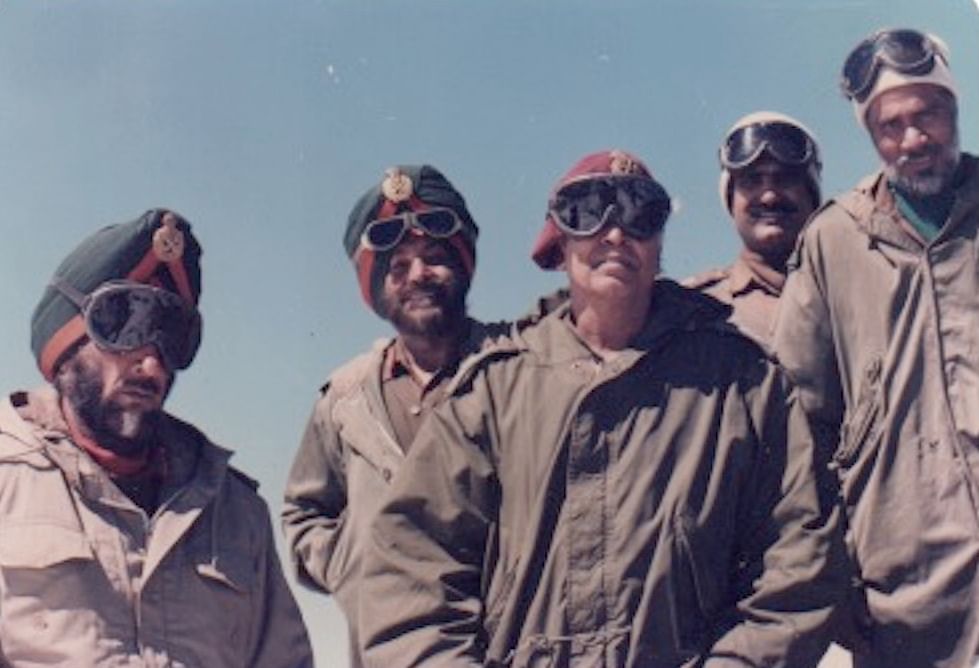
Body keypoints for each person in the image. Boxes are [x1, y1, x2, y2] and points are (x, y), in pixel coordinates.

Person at [359, 150, 844, 667]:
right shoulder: (493, 392)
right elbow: (411, 574)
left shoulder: (742, 384)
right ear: (560, 242)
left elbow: (800, 559)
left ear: (659, 244)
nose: (615, 233)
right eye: (588, 210)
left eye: (640, 213)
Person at [0, 209, 312, 666]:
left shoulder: (236, 513)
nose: (151, 364)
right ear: (65, 343)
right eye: (126, 324)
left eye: (172, 335)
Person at [773, 28, 979, 667]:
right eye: (891, 126)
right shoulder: (834, 240)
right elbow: (798, 429)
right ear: (870, 135)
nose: (913, 139)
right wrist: (836, 580)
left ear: (955, 111)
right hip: (908, 600)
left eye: (929, 115)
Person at [281, 165, 506, 666]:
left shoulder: (513, 369)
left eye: (433, 259)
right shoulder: (344, 400)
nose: (417, 277)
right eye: (397, 267)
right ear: (378, 288)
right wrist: (357, 567)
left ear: (462, 266)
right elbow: (303, 512)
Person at [684, 111, 821, 348]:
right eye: (752, 181)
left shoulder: (854, 293)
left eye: (784, 179)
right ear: (731, 202)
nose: (768, 196)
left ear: (811, 195)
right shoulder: (691, 310)